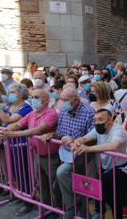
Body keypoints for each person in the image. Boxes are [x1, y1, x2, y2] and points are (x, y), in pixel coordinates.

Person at [0, 89, 60, 217]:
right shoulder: (32, 113)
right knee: (42, 185)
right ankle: (46, 208)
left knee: (55, 185)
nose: (33, 99)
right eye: (32, 97)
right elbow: (17, 124)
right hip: (37, 154)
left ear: (47, 100)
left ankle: (58, 210)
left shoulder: (51, 114)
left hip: (51, 156)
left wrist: (12, 134)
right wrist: (4, 131)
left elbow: (38, 130)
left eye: (36, 97)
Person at [42, 86, 95, 219]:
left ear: (76, 100)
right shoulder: (64, 111)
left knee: (63, 173)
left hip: (82, 154)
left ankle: (73, 207)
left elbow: (93, 137)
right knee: (63, 182)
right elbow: (60, 133)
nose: (62, 102)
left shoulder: (88, 112)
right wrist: (52, 135)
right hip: (64, 153)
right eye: (61, 99)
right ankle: (80, 212)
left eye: (66, 99)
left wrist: (76, 141)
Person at [72, 108, 127, 219]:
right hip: (105, 167)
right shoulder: (97, 129)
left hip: (120, 169)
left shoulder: (118, 130)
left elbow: (113, 145)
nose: (97, 123)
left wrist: (88, 149)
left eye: (100, 119)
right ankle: (100, 213)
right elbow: (88, 136)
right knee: (100, 192)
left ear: (110, 120)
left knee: (113, 198)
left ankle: (113, 215)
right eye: (95, 120)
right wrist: (79, 140)